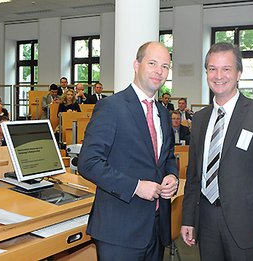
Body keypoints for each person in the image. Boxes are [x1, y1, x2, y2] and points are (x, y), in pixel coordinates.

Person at [180, 43, 253, 261]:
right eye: (212, 69)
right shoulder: (200, 119)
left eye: (226, 69)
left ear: (239, 73)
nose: (218, 76)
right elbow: (194, 175)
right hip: (207, 221)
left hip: (249, 225)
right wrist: (189, 218)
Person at [78, 41, 179, 260]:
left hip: (155, 227)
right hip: (119, 230)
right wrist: (135, 187)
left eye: (165, 66)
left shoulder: (162, 113)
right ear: (136, 64)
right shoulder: (112, 107)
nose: (159, 71)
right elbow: (88, 163)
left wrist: (172, 175)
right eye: (152, 63)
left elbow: (167, 157)